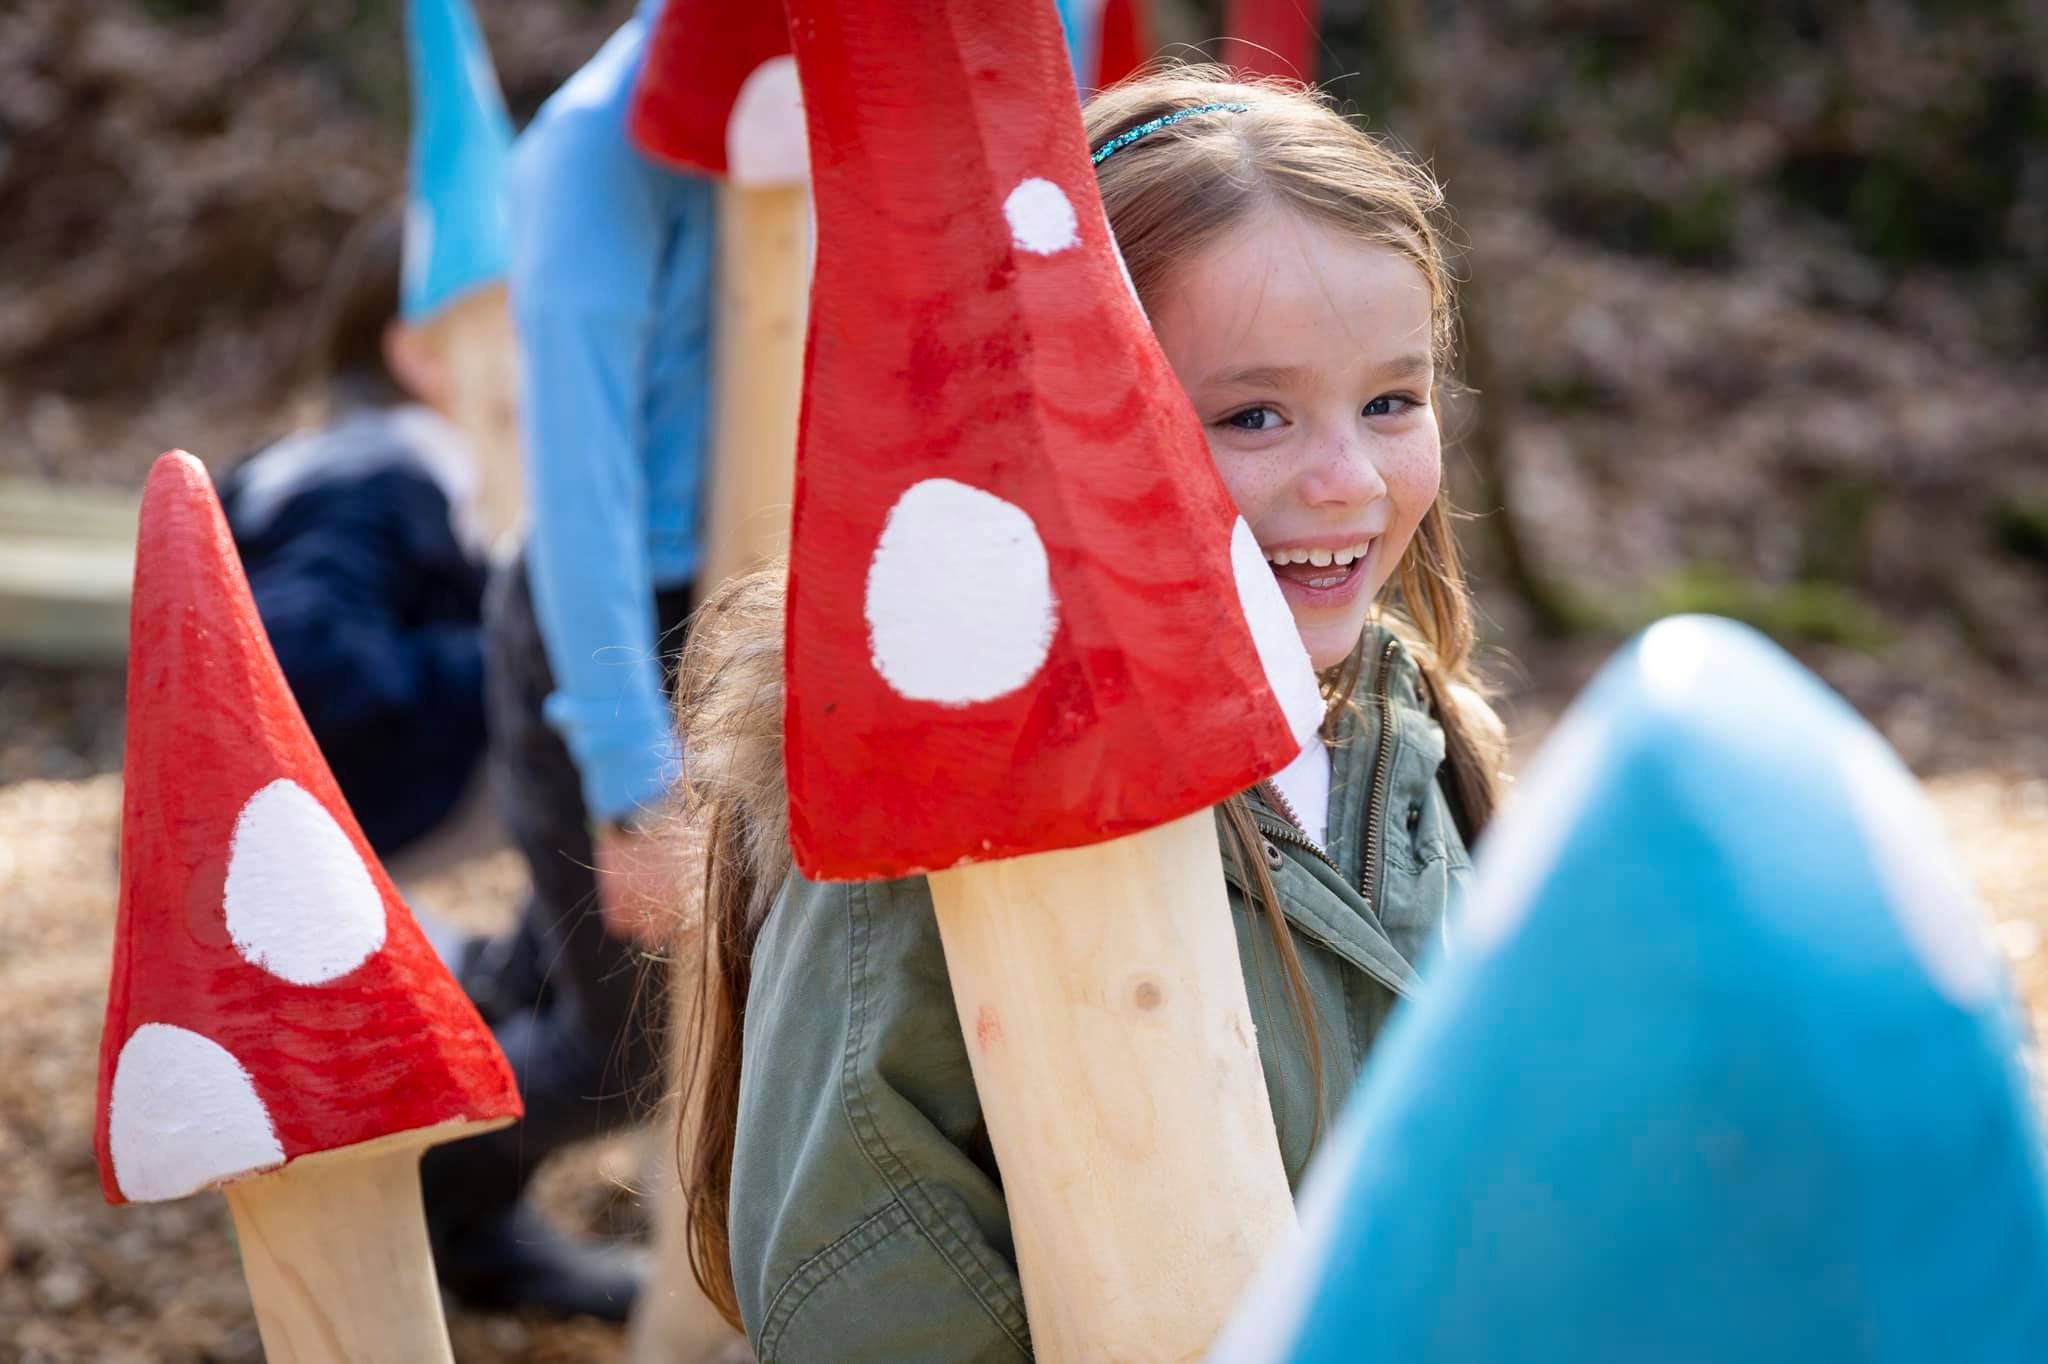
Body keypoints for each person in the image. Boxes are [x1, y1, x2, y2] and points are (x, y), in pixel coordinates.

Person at [670, 66, 1511, 1361]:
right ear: (1059, 422)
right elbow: (874, 1286)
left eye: (1390, 401)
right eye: (1253, 415)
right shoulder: (949, 837)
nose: (1345, 482)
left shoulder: (1416, 733)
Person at [418, 0, 715, 1322]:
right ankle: (420, 1161)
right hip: (608, 623)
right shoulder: (597, 149)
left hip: (746, 599)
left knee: (604, 970)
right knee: (645, 1042)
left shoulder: (861, 91)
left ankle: (458, 992)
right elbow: (580, 503)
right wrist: (633, 782)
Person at [221, 207, 489, 862]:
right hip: (332, 830)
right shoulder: (374, 481)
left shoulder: (319, 461)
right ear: (418, 356)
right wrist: (498, 663)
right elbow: (307, 651)